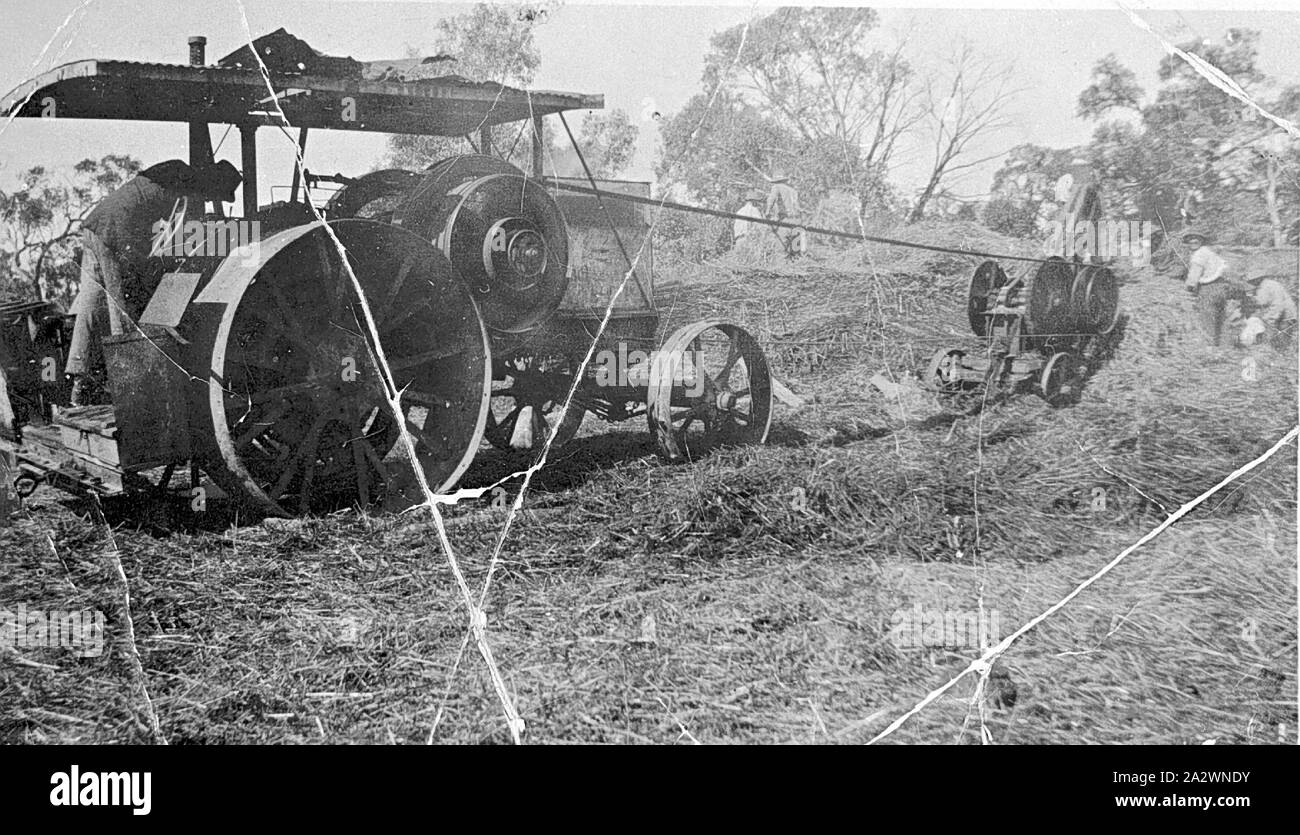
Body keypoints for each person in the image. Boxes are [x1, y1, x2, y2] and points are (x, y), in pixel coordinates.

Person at [67, 159, 241, 405]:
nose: (214, 201)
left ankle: (78, 385)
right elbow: (180, 242)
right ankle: (129, 395)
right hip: (117, 233)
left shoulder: (173, 171)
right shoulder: (188, 190)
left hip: (95, 226)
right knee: (123, 314)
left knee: (91, 308)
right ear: (213, 185)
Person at [1181, 230, 1233, 347]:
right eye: (1191, 241)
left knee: (1207, 318)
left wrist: (1185, 292)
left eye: (1196, 240)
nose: (1193, 242)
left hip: (1209, 289)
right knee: (1221, 317)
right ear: (1188, 243)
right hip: (1222, 287)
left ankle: (1210, 348)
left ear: (1201, 241)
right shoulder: (1209, 252)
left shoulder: (1198, 255)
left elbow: (1193, 279)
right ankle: (1226, 346)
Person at [1242, 265, 1297, 348]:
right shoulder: (1262, 287)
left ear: (1257, 278)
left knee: (1282, 342)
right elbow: (1261, 302)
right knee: (1273, 341)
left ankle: (1281, 356)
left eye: (1252, 281)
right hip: (1276, 315)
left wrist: (1270, 319)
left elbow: (1278, 305)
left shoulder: (1271, 286)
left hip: (1286, 316)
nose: (1252, 283)